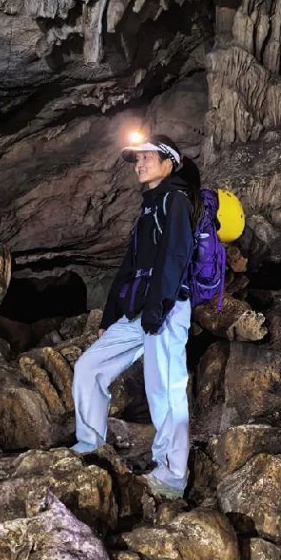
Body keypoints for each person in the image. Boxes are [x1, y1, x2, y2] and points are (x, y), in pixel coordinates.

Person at [72, 133, 199, 500]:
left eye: (147, 157)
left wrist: (159, 308)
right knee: (89, 368)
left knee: (166, 389)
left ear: (168, 164)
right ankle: (89, 447)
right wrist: (108, 318)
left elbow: (175, 257)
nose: (139, 164)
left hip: (167, 307)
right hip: (139, 310)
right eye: (137, 159)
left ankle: (172, 476)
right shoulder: (148, 207)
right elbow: (130, 266)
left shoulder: (175, 201)